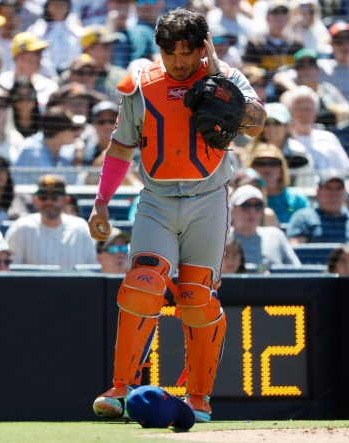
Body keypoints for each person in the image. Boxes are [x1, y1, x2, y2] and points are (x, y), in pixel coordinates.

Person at [87, 8, 266, 423]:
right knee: (142, 282)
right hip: (157, 200)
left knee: (196, 299)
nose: (180, 61)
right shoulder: (142, 86)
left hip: (209, 198)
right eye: (171, 53)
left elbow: (258, 124)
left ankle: (199, 398)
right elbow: (119, 148)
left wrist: (221, 80)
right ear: (160, 50)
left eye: (188, 52)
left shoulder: (228, 77)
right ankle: (120, 387)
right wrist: (101, 202)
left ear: (204, 47)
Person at [6, 173, 97, 270]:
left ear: (66, 200)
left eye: (55, 197)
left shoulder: (81, 228)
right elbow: (11, 270)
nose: (49, 202)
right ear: (36, 199)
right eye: (43, 197)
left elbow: (92, 269)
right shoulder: (20, 228)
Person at [287, 171, 349, 246]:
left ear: (345, 193)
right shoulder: (304, 218)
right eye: (328, 188)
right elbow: (297, 251)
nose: (334, 194)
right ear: (318, 192)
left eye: (338, 189)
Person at [281, 85, 349, 172]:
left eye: (308, 108)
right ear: (290, 111)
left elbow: (346, 170)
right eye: (299, 108)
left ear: (316, 111)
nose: (304, 113)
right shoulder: (283, 140)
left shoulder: (329, 138)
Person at [230, 184, 301, 270]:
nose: (253, 211)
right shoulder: (222, 240)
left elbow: (296, 270)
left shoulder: (276, 235)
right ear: (232, 210)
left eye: (258, 206)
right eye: (246, 205)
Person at [12, 105, 83, 184]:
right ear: (59, 135)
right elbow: (54, 184)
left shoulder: (68, 149)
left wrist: (76, 161)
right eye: (73, 129)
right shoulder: (31, 151)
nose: (77, 133)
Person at [245, 143, 309, 224]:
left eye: (273, 163)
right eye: (260, 163)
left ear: (281, 169)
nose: (267, 168)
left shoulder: (297, 199)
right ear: (252, 168)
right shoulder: (242, 199)